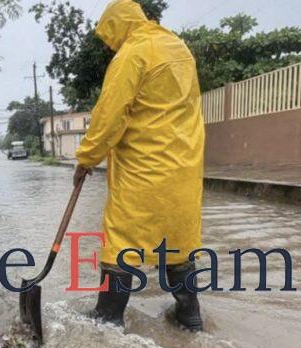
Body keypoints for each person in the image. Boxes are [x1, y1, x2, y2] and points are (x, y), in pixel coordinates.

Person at [73, 0, 205, 331]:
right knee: (178, 244)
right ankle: (190, 318)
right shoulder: (178, 48)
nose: (107, 44)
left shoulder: (132, 54)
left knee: (121, 243)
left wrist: (86, 159)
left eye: (108, 35)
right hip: (184, 170)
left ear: (119, 25)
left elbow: (109, 116)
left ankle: (107, 319)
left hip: (143, 170)